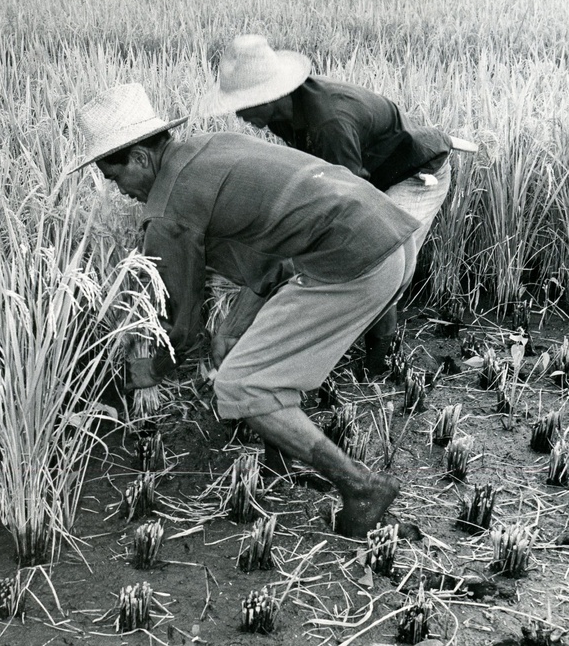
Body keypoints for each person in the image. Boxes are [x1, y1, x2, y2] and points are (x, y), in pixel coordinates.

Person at [71, 82, 420, 538]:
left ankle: (360, 485)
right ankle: (282, 445)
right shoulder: (208, 150)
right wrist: (231, 329)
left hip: (353, 261)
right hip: (390, 236)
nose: (121, 192)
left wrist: (148, 369)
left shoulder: (168, 214)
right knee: (248, 358)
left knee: (241, 386)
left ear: (139, 158)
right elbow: (270, 263)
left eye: (116, 178)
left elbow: (183, 327)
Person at [198, 34, 476, 378]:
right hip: (370, 167)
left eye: (245, 103)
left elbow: (355, 202)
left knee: (381, 257)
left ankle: (379, 365)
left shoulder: (329, 122)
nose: (239, 114)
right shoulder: (281, 114)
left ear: (272, 93)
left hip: (414, 174)